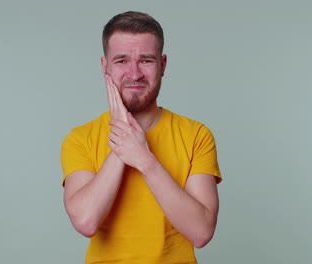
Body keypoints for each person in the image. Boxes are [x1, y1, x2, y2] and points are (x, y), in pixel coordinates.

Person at [61, 11, 222, 264]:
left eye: (146, 60)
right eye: (122, 61)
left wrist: (144, 160)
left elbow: (201, 232)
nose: (134, 74)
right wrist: (123, 138)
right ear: (105, 67)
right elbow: (85, 221)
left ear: (163, 65)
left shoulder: (196, 135)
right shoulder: (80, 139)